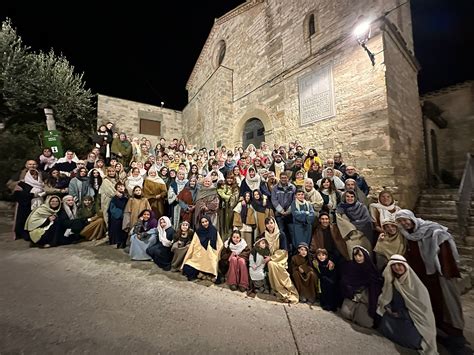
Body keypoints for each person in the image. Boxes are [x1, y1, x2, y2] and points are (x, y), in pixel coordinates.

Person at [395, 209, 465, 348]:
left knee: (448, 303)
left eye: (405, 219)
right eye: (400, 221)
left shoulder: (433, 230)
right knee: (431, 302)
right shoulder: (407, 235)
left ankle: (456, 334)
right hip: (423, 275)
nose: (404, 223)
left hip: (440, 274)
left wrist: (444, 272)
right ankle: (437, 329)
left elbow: (445, 251)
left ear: (412, 218)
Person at [377, 255, 437, 354]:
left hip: (411, 317)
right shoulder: (393, 281)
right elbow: (386, 297)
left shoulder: (417, 286)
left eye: (399, 264)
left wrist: (402, 314)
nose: (397, 267)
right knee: (384, 324)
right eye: (394, 265)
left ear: (405, 266)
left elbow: (422, 310)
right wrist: (388, 307)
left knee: (413, 340)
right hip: (394, 314)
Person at [340, 246, 382, 328]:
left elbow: (375, 287)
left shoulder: (371, 269)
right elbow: (345, 281)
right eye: (355, 256)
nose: (357, 258)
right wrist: (350, 290)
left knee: (366, 323)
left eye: (360, 256)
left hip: (365, 300)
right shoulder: (351, 266)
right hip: (352, 296)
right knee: (345, 313)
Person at [262, 217, 299, 303]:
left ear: (274, 224)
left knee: (273, 264)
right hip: (268, 258)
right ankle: (275, 288)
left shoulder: (281, 234)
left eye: (271, 223)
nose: (270, 225)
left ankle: (285, 289)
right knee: (271, 264)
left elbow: (283, 251)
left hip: (280, 258)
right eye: (267, 223)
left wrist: (271, 257)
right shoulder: (264, 235)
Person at [182, 216, 223, 282]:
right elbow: (193, 244)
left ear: (209, 221)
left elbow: (219, 244)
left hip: (211, 255)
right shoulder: (198, 232)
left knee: (213, 265)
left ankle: (204, 274)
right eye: (203, 222)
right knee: (187, 267)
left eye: (206, 221)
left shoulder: (214, 230)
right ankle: (202, 274)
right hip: (199, 255)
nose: (205, 223)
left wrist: (215, 253)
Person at [108, 182, 129, 248]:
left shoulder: (127, 196)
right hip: (117, 216)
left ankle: (123, 242)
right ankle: (118, 242)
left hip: (125, 216)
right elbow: (112, 208)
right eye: (118, 187)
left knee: (124, 230)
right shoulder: (114, 198)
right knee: (117, 229)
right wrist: (120, 214)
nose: (120, 188)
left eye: (121, 186)